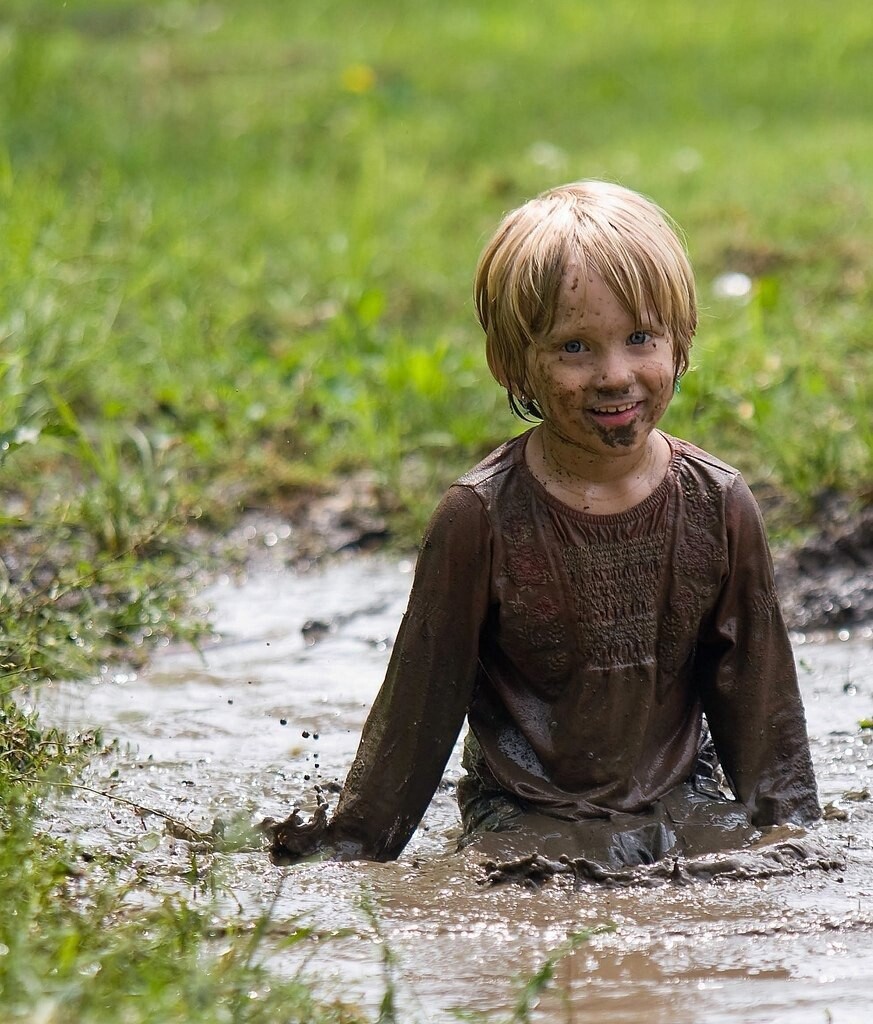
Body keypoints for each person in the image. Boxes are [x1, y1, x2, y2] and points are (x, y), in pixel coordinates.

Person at [269, 180, 820, 870]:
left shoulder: (717, 504)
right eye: (573, 348)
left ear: (681, 343)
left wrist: (790, 840)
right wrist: (352, 852)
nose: (614, 375)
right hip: (525, 812)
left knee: (728, 879)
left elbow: (759, 696)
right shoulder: (478, 519)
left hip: (683, 798)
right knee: (530, 892)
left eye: (639, 338)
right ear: (512, 363)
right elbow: (421, 702)